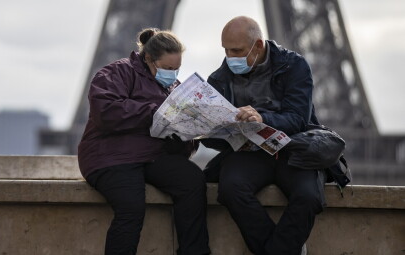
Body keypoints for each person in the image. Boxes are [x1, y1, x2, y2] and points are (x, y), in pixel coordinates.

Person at [78, 28, 210, 255]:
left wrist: (189, 133)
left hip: (152, 156)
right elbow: (106, 111)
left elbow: (181, 147)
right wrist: (156, 112)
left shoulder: (175, 88)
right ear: (149, 58)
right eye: (168, 68)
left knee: (193, 182)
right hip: (112, 156)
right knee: (131, 206)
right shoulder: (116, 72)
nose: (173, 74)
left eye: (177, 68)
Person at [204, 16, 323, 255]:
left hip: (291, 150)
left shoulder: (294, 66)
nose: (230, 57)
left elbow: (299, 119)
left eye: (237, 50)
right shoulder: (218, 79)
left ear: (258, 45)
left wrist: (262, 118)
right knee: (230, 190)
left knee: (309, 197)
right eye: (226, 50)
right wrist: (202, 129)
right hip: (250, 152)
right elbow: (213, 140)